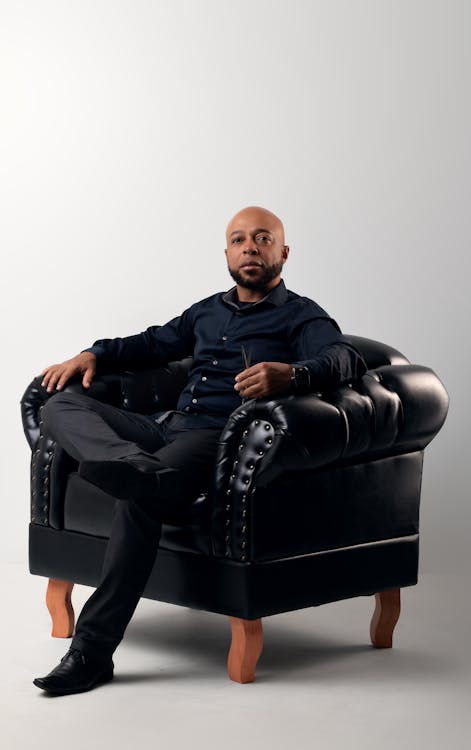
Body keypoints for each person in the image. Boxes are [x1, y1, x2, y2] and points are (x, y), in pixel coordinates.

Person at [33, 205, 367, 695]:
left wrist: (291, 374)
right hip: (163, 428)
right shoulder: (207, 310)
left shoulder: (301, 315)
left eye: (262, 238)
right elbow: (152, 343)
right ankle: (132, 467)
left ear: (283, 252)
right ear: (227, 252)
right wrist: (93, 353)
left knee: (138, 500)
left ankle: (90, 652)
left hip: (216, 438)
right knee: (58, 404)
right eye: (238, 240)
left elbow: (345, 358)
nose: (249, 247)